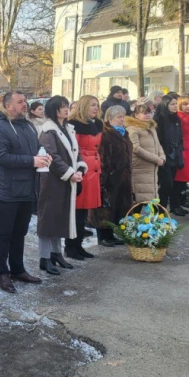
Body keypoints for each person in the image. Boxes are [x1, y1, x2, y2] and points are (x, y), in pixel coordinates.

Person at [0, 91, 47, 292]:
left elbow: (38, 149)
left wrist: (43, 156)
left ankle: (17, 268)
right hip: (7, 190)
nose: (25, 105)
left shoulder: (29, 126)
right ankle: (2, 273)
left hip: (27, 188)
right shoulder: (1, 128)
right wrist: (31, 161)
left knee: (20, 232)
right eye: (20, 102)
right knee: (5, 233)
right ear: (8, 106)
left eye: (25, 101)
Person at [38, 95, 87, 269]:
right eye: (62, 107)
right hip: (52, 181)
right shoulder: (48, 130)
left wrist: (80, 169)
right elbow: (52, 156)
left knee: (61, 217)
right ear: (53, 110)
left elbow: (76, 152)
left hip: (66, 180)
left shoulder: (67, 127)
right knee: (48, 219)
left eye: (67, 106)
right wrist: (70, 173)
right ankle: (44, 258)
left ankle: (56, 254)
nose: (66, 109)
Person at [66, 95, 103, 259]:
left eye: (97, 105)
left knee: (83, 212)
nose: (96, 108)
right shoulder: (74, 125)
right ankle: (71, 246)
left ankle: (78, 245)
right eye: (92, 105)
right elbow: (73, 150)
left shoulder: (96, 124)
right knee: (76, 211)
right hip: (81, 169)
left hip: (93, 169)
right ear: (84, 106)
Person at [90, 105, 133, 247]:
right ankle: (103, 236)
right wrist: (104, 177)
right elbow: (102, 156)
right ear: (109, 118)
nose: (122, 119)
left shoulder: (124, 133)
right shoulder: (106, 133)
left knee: (117, 206)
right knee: (104, 207)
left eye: (123, 116)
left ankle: (111, 234)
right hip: (109, 177)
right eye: (119, 117)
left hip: (122, 176)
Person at [125, 104, 165, 202]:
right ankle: (137, 216)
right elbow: (135, 148)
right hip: (140, 167)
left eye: (149, 113)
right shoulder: (132, 129)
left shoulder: (151, 127)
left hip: (152, 166)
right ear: (136, 115)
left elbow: (158, 144)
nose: (147, 115)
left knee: (151, 195)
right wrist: (156, 159)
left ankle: (154, 216)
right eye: (144, 113)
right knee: (141, 196)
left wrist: (162, 157)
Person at [154, 95, 186, 215]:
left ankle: (171, 207)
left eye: (175, 104)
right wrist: (163, 154)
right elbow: (159, 140)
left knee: (172, 182)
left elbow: (179, 136)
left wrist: (179, 151)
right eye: (172, 104)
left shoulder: (176, 118)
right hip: (164, 155)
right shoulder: (160, 119)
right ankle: (161, 209)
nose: (175, 106)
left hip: (175, 154)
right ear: (165, 105)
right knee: (166, 183)